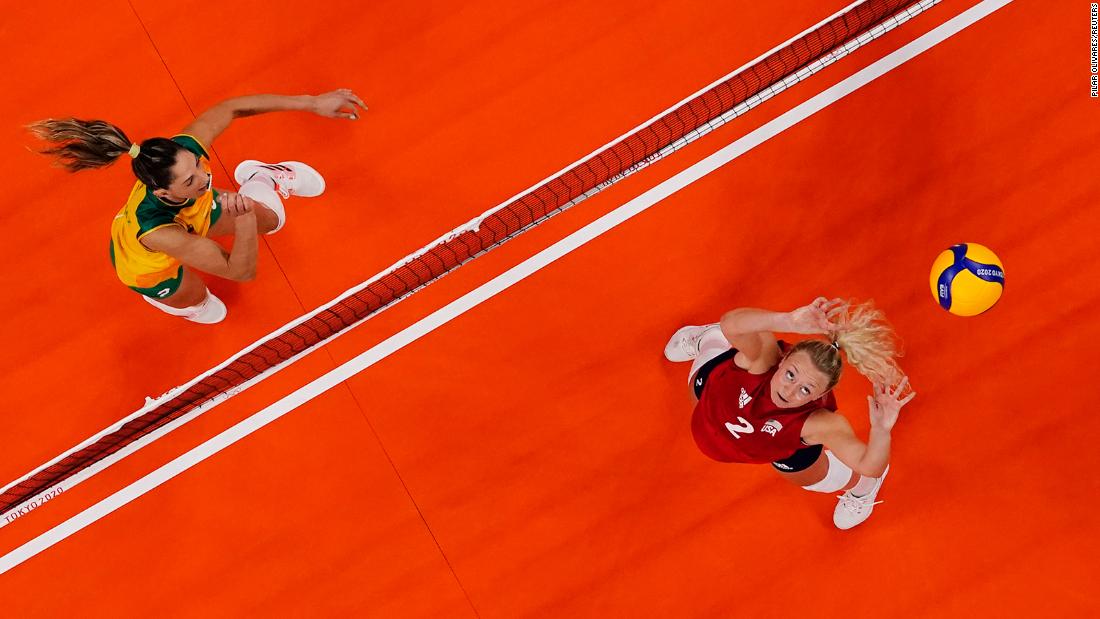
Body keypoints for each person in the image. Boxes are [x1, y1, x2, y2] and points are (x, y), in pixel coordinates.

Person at [28, 89, 367, 323]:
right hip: (149, 267)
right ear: (161, 192)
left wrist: (311, 103)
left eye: (198, 165)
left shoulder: (184, 156)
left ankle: (264, 177)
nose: (204, 178)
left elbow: (231, 108)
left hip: (194, 215)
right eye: (189, 180)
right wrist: (243, 220)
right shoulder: (158, 232)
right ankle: (173, 303)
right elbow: (241, 272)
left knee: (274, 220)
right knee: (200, 301)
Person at [663, 297, 915, 529]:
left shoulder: (820, 424)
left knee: (817, 476)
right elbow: (731, 323)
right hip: (710, 406)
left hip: (773, 446)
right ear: (782, 360)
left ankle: (865, 490)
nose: (789, 390)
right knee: (706, 372)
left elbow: (869, 464)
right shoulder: (763, 360)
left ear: (819, 397)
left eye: (805, 389)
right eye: (790, 374)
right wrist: (787, 320)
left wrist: (881, 431)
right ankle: (710, 338)